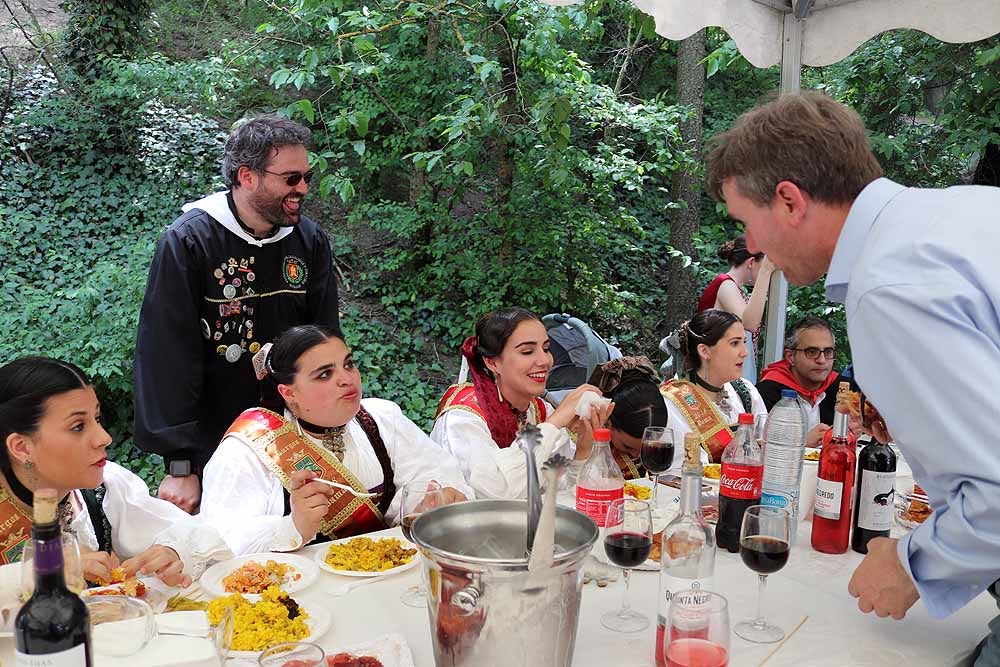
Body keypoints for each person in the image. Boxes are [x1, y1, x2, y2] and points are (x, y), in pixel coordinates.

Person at [705, 90, 1000, 663]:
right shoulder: (965, 211)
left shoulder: (890, 287)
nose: (754, 247)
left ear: (789, 201)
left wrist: (914, 563)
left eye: (748, 223)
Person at [133, 114, 340, 514]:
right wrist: (180, 465)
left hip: (295, 440)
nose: (303, 189)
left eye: (306, 177)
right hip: (216, 446)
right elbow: (166, 359)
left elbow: (324, 341)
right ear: (247, 176)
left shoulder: (309, 240)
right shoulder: (189, 241)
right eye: (291, 178)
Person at [200, 325, 473, 556]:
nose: (347, 379)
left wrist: (428, 504)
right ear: (288, 392)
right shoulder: (250, 448)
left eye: (349, 364)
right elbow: (218, 544)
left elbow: (440, 478)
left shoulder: (382, 419)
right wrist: (293, 526)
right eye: (324, 374)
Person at [0, 356, 231, 586]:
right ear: (21, 447)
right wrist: (37, 572)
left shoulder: (105, 487)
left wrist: (172, 553)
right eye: (78, 427)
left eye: (97, 419)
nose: (104, 438)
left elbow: (201, 534)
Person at [429, 307, 612, 499]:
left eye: (546, 349)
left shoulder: (540, 409)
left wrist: (584, 449)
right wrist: (555, 423)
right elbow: (497, 494)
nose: (545, 360)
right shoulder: (461, 418)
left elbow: (559, 490)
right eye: (527, 351)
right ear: (493, 363)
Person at [660, 310, 768, 466]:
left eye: (744, 342)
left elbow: (767, 445)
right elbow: (684, 467)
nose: (744, 353)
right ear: (704, 351)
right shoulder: (673, 402)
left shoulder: (746, 391)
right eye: (734, 343)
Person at [756, 316, 851, 447]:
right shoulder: (765, 393)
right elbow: (755, 445)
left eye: (828, 352)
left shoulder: (846, 389)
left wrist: (857, 429)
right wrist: (800, 443)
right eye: (812, 352)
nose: (822, 360)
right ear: (790, 357)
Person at [698, 235, 775, 382]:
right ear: (752, 262)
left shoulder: (733, 287)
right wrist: (766, 272)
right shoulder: (725, 285)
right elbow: (750, 323)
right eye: (763, 264)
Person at [588, 356, 667, 480]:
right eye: (627, 446)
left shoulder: (670, 434)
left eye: (647, 448)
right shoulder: (580, 439)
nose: (637, 455)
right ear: (608, 423)